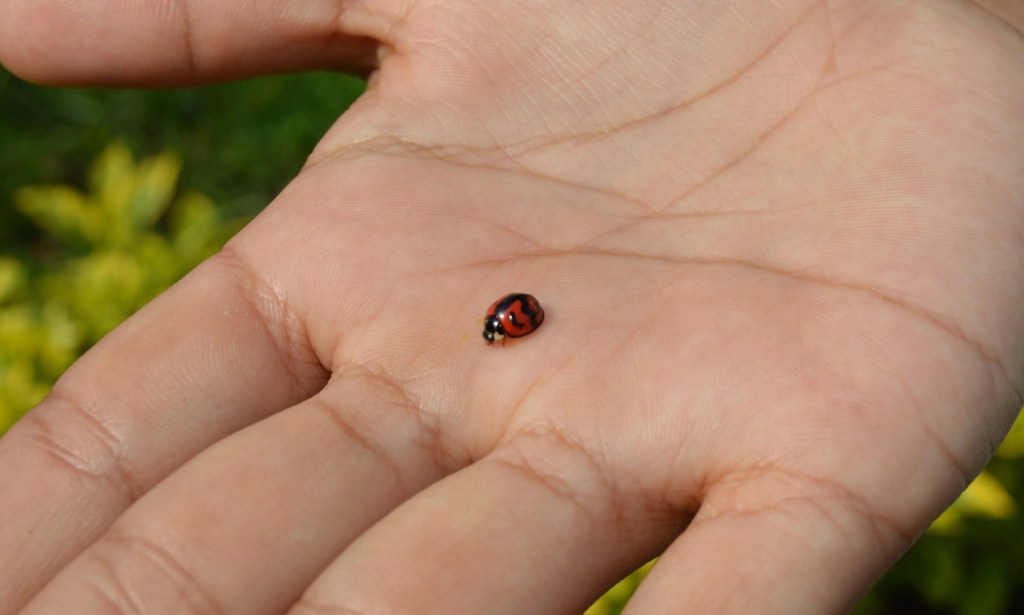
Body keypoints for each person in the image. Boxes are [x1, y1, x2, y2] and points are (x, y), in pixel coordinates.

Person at [1, 0, 1022, 612]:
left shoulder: (520, 311)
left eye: (505, 328)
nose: (506, 332)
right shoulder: (516, 310)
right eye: (506, 330)